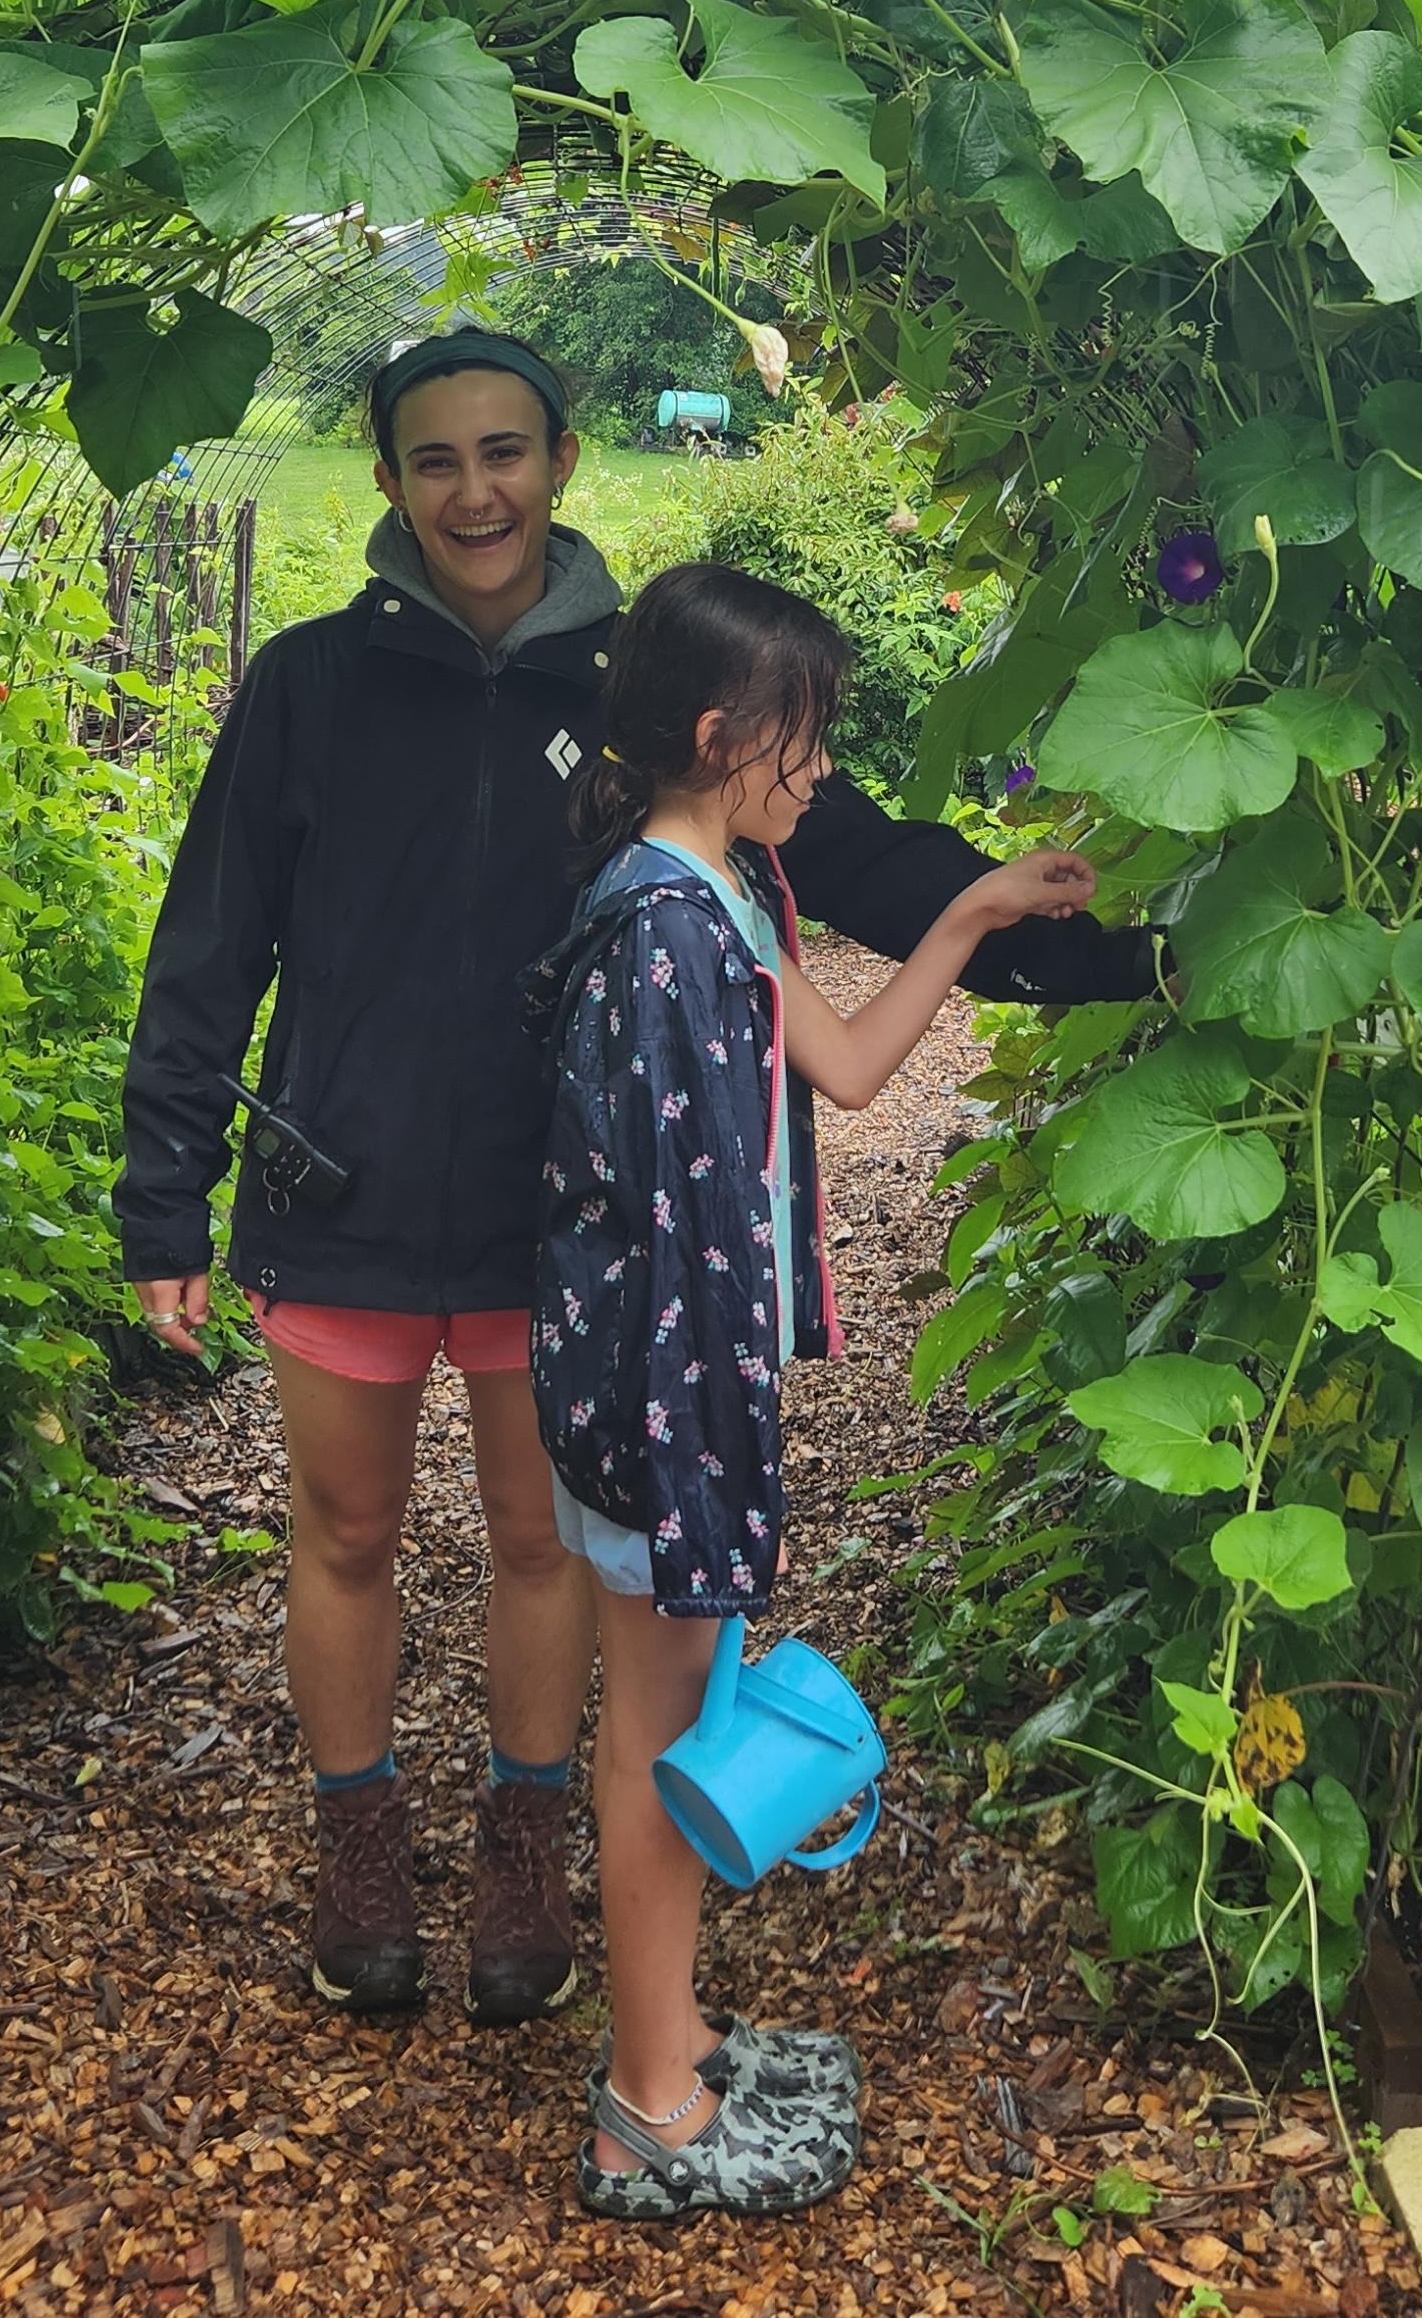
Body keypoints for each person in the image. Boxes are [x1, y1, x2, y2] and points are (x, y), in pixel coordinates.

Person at [116, 329, 1153, 2030]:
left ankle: (523, 1836)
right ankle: (357, 1838)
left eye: (504, 451)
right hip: (343, 1185)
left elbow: (854, 850)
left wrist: (1094, 952)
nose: (475, 490)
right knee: (344, 1526)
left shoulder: (640, 696)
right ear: (386, 480)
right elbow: (210, 942)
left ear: (562, 461)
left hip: (562, 1219)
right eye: (435, 458)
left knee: (539, 1539)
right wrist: (166, 1189)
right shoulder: (311, 684)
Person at [533, 564, 1098, 2216]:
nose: (825, 768)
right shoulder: (663, 934)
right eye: (809, 736)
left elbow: (842, 1066)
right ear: (724, 736)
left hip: (664, 1393)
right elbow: (675, 1227)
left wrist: (969, 914)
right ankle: (645, 2107)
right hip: (657, 1406)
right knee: (657, 1742)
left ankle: (674, 2035)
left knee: (673, 1723)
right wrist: (704, 1464)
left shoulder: (708, 889)